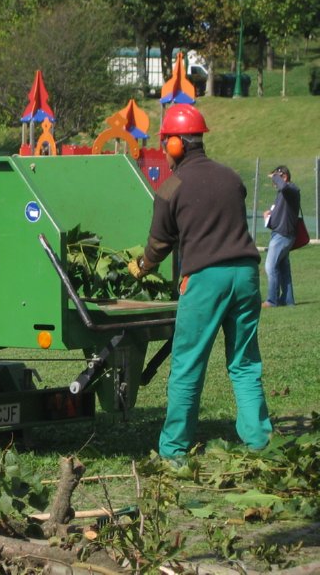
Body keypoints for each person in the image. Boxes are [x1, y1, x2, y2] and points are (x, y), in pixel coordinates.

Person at [128, 103, 272, 460]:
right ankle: (258, 441)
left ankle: (173, 450)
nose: (164, 151)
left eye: (166, 144)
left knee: (188, 364)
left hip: (206, 279)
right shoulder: (231, 177)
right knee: (244, 362)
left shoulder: (171, 185)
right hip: (246, 275)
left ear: (176, 144)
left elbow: (160, 243)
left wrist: (143, 266)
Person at [262, 165, 301, 307]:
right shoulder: (284, 193)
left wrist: (275, 176)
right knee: (283, 269)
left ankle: (272, 300)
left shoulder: (291, 189)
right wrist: (269, 217)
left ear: (283, 176)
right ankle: (287, 300)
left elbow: (283, 187)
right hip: (280, 234)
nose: (275, 184)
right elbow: (282, 215)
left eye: (276, 179)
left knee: (270, 267)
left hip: (282, 236)